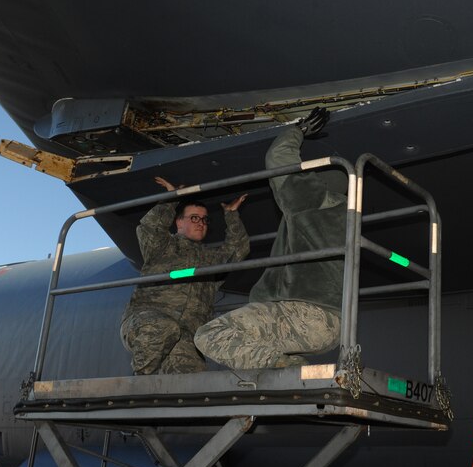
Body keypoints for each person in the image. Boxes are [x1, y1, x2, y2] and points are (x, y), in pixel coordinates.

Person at [194, 108, 345, 369]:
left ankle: (284, 367)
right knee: (254, 353)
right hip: (333, 326)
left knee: (210, 335)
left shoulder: (311, 200)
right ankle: (281, 377)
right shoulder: (348, 218)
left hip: (304, 314)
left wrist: (297, 130)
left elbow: (278, 158)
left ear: (319, 181)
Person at [120, 177, 249, 374]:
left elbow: (238, 250)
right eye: (194, 218)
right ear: (179, 222)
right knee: (164, 327)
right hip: (148, 322)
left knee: (192, 380)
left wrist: (231, 216)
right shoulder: (162, 247)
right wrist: (171, 198)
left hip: (186, 335)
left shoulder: (210, 259)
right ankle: (140, 385)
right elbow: (150, 227)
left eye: (204, 219)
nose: (201, 223)